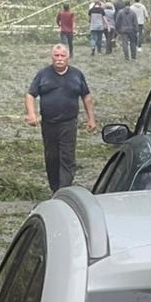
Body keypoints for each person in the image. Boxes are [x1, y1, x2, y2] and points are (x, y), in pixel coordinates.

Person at [25, 44, 97, 193]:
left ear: (68, 57)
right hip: (49, 123)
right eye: (56, 56)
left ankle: (64, 190)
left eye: (62, 56)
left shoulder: (76, 75)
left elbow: (86, 96)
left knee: (67, 157)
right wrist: (31, 114)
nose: (59, 59)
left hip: (68, 123)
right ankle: (55, 189)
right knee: (51, 158)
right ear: (52, 57)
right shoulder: (43, 74)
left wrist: (91, 118)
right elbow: (30, 95)